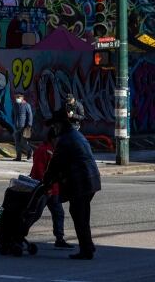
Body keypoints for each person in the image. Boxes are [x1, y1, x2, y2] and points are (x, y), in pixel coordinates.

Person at [42, 108, 102, 260]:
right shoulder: (75, 134)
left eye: (55, 125)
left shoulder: (66, 139)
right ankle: (88, 245)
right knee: (82, 214)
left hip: (81, 181)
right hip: (90, 179)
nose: (54, 129)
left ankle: (86, 250)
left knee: (79, 214)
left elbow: (56, 164)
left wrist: (46, 182)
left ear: (60, 125)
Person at [30, 127, 74, 249]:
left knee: (58, 213)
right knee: (35, 213)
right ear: (53, 138)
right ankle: (19, 233)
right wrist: (45, 184)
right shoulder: (43, 150)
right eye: (58, 138)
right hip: (43, 188)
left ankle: (59, 238)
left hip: (53, 189)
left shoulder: (56, 150)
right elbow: (39, 171)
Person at [11, 92, 33, 161]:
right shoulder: (15, 105)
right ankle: (18, 157)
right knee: (17, 142)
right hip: (16, 127)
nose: (17, 99)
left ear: (22, 98)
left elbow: (30, 115)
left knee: (23, 142)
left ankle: (29, 151)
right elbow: (12, 114)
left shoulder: (27, 105)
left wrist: (29, 125)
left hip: (24, 127)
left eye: (18, 97)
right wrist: (13, 122)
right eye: (16, 97)